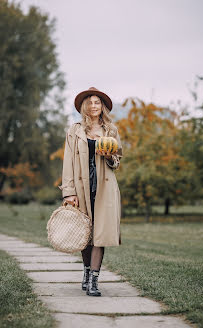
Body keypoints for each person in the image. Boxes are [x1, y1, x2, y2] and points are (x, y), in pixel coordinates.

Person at [58, 87, 123, 296]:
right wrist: (69, 192)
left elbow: (117, 161)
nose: (94, 106)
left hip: (104, 187)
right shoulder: (74, 130)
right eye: (90, 102)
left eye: (97, 102)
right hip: (81, 187)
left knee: (100, 235)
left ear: (102, 106)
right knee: (84, 234)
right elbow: (68, 162)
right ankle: (86, 272)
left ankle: (94, 280)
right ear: (84, 107)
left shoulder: (111, 130)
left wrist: (109, 156)